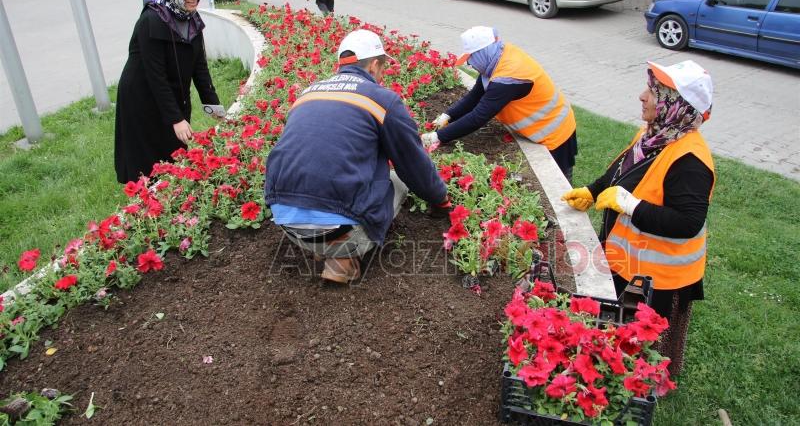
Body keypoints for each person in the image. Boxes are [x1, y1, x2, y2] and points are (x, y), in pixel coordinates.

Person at [562, 60, 715, 376]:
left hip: (660, 278)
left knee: (645, 347)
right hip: (631, 263)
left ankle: (644, 380)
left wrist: (630, 205)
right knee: (618, 330)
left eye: (653, 93)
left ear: (676, 106)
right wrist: (593, 190)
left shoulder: (690, 161)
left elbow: (688, 222)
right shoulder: (655, 135)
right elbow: (621, 171)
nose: (642, 96)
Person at [264, 29, 450, 283]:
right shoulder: (382, 99)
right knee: (398, 181)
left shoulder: (308, 93)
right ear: (373, 65)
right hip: (337, 229)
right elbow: (413, 163)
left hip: (286, 222)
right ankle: (341, 259)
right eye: (383, 67)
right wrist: (441, 200)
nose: (382, 75)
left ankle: (321, 246)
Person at [421, 26, 577, 180]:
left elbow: (478, 117)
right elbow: (474, 96)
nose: (469, 63)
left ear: (482, 52)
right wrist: (447, 115)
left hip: (555, 132)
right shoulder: (496, 59)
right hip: (548, 125)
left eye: (471, 57)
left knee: (560, 181)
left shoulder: (508, 77)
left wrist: (437, 137)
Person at [114, 0, 222, 184]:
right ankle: (148, 196)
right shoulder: (151, 20)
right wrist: (176, 119)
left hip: (172, 90)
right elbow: (156, 75)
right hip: (142, 95)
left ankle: (170, 191)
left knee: (174, 150)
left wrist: (215, 107)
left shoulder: (191, 18)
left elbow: (199, 67)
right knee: (148, 158)